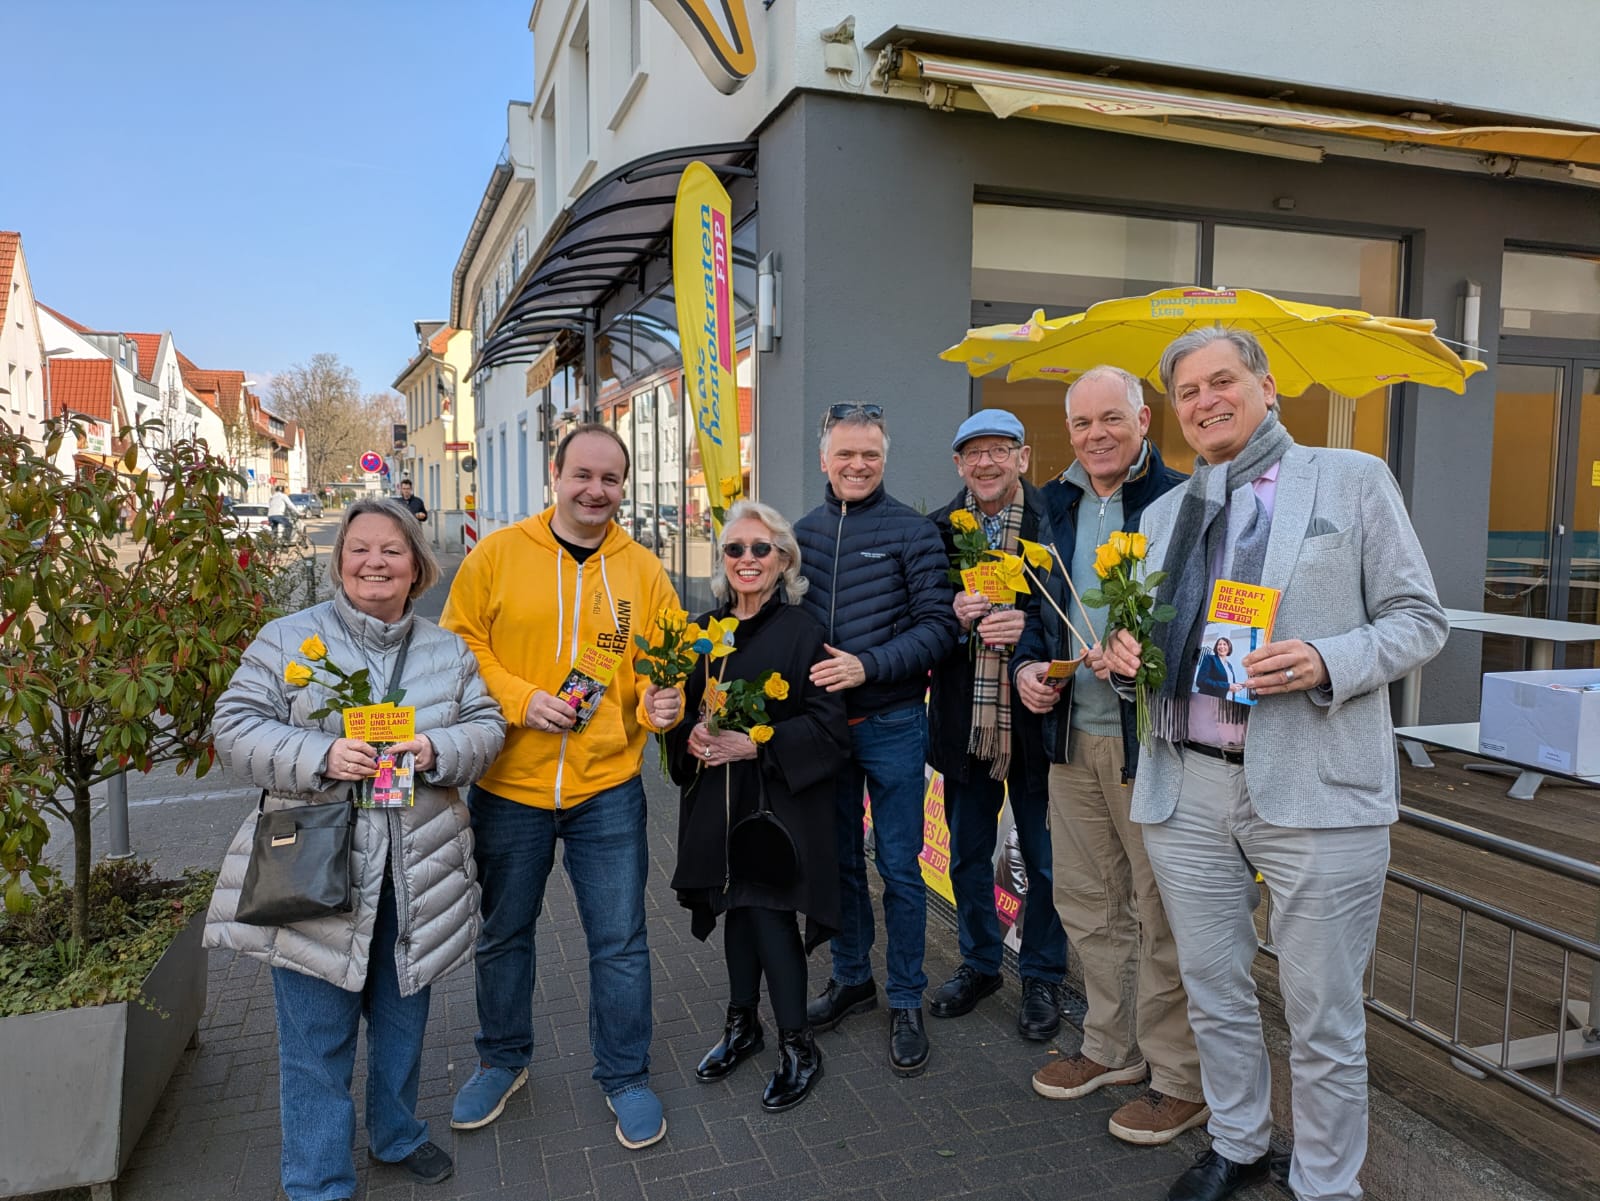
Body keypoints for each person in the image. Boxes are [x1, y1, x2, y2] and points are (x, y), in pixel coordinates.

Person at [1097, 328, 1447, 1201]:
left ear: (1265, 386)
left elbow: (1420, 619)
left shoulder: (1352, 477)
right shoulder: (1164, 514)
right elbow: (1154, 645)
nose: (1206, 401)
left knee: (1323, 1013)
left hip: (1315, 786)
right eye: (1188, 391)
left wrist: (1329, 658)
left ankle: (1328, 1182)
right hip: (1189, 780)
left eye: (1223, 381)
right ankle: (1239, 1139)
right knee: (1214, 986)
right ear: (1172, 411)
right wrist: (1126, 653)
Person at [204, 497, 507, 1201]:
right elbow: (233, 726)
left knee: (404, 1022)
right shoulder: (287, 638)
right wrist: (318, 753)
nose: (375, 562)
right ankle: (317, 1180)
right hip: (315, 863)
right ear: (339, 559)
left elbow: (488, 727)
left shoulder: (445, 648)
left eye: (392, 550)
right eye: (360, 548)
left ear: (417, 566)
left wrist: (435, 747)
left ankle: (396, 1134)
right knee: (315, 1038)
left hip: (417, 866)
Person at [440, 424, 685, 1150]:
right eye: (583, 474)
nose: (595, 490)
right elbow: (458, 642)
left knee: (619, 940)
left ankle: (625, 1073)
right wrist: (518, 697)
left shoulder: (643, 570)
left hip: (606, 786)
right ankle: (503, 1060)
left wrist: (658, 703)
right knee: (504, 932)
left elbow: (660, 665)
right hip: (508, 783)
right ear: (556, 473)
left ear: (623, 486)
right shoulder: (498, 553)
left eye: (610, 479)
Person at [1012, 364, 1200, 1147]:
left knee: (1162, 909)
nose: (1096, 435)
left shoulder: (1184, 501)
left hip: (1150, 741)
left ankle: (1180, 1077)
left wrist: (1146, 650)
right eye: (1082, 423)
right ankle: (1109, 1045)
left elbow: (1203, 619)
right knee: (1089, 901)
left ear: (1144, 420)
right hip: (1068, 735)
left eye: (1111, 420)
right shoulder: (1046, 506)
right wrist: (1027, 667)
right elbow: (1028, 609)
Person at [794, 403, 960, 1077]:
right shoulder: (798, 536)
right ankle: (853, 976)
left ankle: (906, 997)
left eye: (869, 454)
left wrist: (868, 665)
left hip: (892, 722)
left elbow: (939, 627)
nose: (857, 465)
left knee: (899, 865)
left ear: (883, 460)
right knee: (838, 864)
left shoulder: (911, 532)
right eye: (845, 454)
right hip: (824, 730)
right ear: (824, 460)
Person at [667, 500, 847, 1111]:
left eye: (760, 548)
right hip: (717, 799)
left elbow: (829, 728)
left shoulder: (806, 631)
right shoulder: (702, 631)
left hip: (778, 803)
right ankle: (743, 1026)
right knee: (734, 909)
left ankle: (798, 1044)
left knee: (768, 910)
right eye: (734, 549)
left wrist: (757, 743)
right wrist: (688, 732)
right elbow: (689, 712)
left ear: (784, 560)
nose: (747, 559)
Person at [926, 409, 1068, 1041]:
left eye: (998, 450)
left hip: (1037, 725)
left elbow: (1074, 614)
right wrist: (950, 617)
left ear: (1022, 457)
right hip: (966, 724)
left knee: (1045, 862)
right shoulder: (936, 532)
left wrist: (1031, 632)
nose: (985, 462)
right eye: (972, 453)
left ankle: (1041, 974)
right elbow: (920, 626)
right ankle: (981, 963)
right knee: (966, 855)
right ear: (958, 465)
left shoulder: (1056, 524)